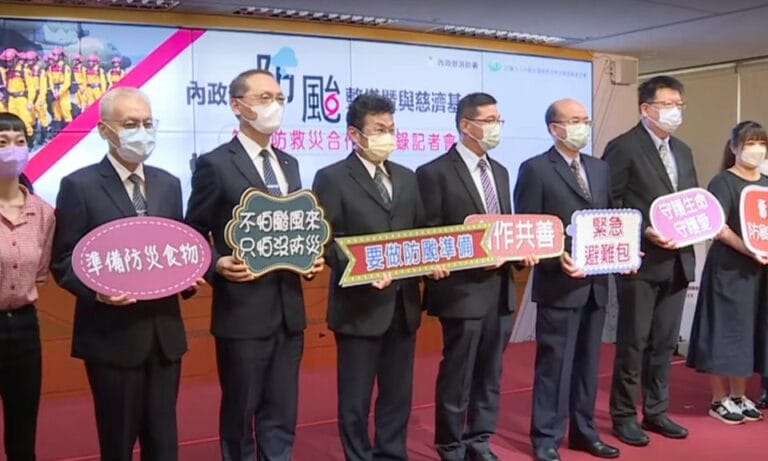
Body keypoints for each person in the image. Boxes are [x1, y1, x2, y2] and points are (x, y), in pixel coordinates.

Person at [51, 87, 198, 461]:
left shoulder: (169, 183)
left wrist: (189, 277)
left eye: (148, 123)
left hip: (164, 337)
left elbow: (177, 246)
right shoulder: (78, 186)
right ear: (105, 130)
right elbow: (63, 260)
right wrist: (97, 290)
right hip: (111, 338)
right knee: (117, 444)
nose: (141, 132)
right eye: (131, 124)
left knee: (164, 443)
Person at [185, 69, 324, 461]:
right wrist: (216, 265)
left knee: (282, 412)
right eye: (264, 98)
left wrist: (308, 256)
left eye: (279, 98)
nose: (274, 106)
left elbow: (296, 225)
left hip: (289, 311)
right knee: (240, 411)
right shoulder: (215, 164)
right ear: (238, 106)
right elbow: (192, 231)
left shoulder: (289, 163)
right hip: (242, 312)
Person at [313, 93, 449, 461]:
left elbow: (421, 232)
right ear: (354, 134)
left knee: (397, 395)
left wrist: (431, 260)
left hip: (403, 306)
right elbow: (325, 241)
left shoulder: (406, 176)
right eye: (379, 129)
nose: (387, 136)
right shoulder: (332, 178)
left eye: (391, 128)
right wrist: (361, 269)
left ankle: (392, 453)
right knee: (355, 398)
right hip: (359, 307)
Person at [416, 92, 536, 461]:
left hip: (500, 290)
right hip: (461, 291)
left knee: (490, 372)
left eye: (499, 120)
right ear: (466, 125)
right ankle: (450, 443)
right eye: (489, 120)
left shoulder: (500, 171)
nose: (496, 127)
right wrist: (470, 261)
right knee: (459, 371)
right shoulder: (434, 172)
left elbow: (505, 227)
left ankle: (479, 439)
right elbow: (428, 235)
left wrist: (520, 253)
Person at [514, 99, 620, 461]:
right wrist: (557, 257)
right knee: (554, 365)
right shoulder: (535, 169)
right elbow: (528, 228)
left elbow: (610, 219)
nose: (582, 127)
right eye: (574, 121)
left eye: (585, 120)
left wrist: (623, 252)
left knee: (588, 364)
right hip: (558, 284)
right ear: (554, 128)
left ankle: (584, 432)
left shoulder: (599, 168)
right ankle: (546, 436)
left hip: (596, 283)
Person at [603, 75, 698, 445]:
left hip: (678, 260)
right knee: (633, 343)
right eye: (668, 104)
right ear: (646, 108)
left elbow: (690, 201)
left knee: (664, 343)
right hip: (640, 260)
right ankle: (624, 415)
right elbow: (609, 202)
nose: (676, 111)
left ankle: (656, 411)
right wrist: (643, 230)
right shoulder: (623, 147)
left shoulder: (683, 151)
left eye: (680, 105)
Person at [686, 121, 768, 424]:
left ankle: (739, 395)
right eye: (749, 143)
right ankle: (718, 399)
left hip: (759, 272)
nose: (756, 150)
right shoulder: (723, 182)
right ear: (734, 148)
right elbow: (717, 227)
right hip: (729, 268)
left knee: (748, 331)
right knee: (725, 331)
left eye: (761, 143)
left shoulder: (766, 183)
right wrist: (748, 249)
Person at [0, 112, 55, 461]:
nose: (12, 149)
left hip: (23, 327)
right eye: (2, 142)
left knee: (23, 428)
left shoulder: (43, 213)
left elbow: (40, 272)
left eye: (20, 142)